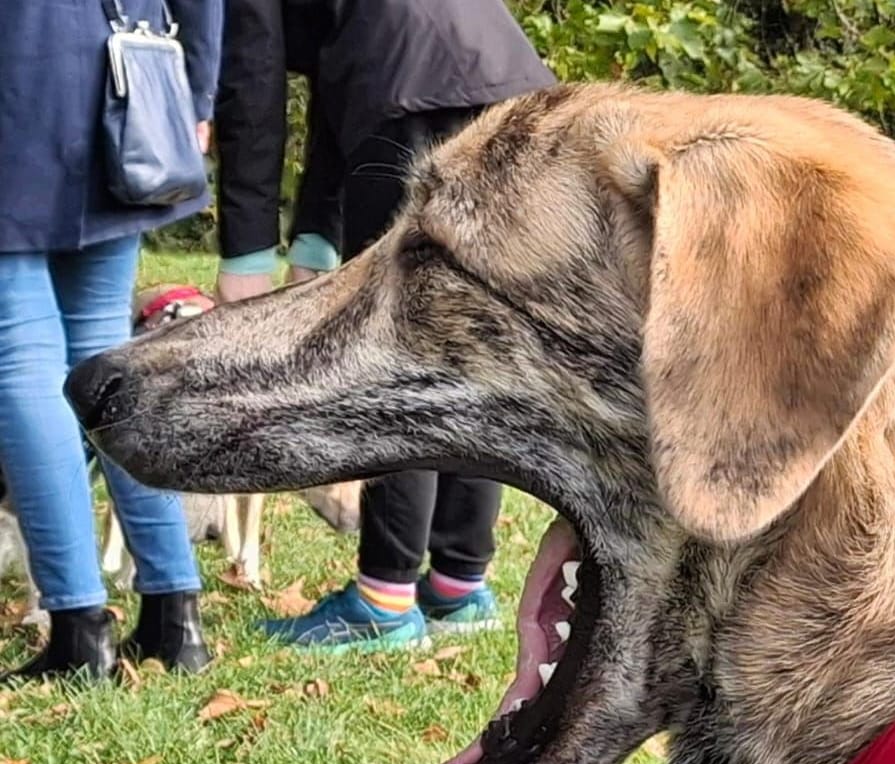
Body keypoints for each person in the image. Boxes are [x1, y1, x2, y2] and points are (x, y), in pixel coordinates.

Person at [214, 0, 556, 652]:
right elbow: (336, 90)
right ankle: (458, 585)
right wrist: (315, 239)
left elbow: (253, 93)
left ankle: (383, 599)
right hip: (509, 87)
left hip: (409, 93)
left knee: (399, 350)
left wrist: (246, 256)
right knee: (472, 344)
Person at [0, 1, 220, 681]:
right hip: (123, 79)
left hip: (19, 81)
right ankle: (172, 613)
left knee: (22, 360)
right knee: (104, 348)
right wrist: (199, 90)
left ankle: (78, 626)